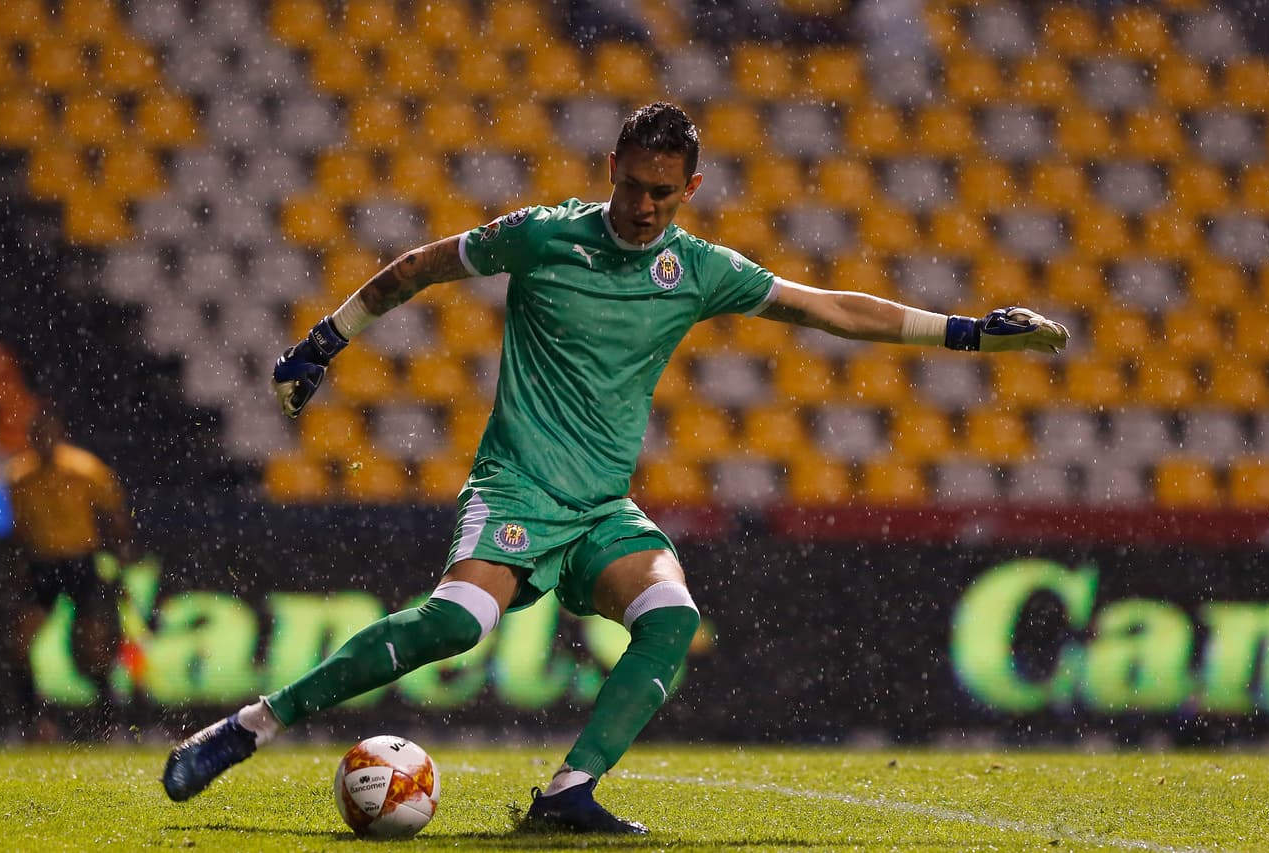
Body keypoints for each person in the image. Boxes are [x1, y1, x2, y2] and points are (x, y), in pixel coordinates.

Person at [163, 102, 1068, 833]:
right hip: (516, 485)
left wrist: (969, 332)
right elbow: (417, 268)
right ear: (610, 171)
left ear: (691, 189)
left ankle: (566, 794)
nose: (645, 208)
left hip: (600, 507)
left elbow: (831, 308)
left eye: (664, 196)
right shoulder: (543, 236)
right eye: (634, 187)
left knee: (673, 617)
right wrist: (325, 342)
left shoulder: (696, 268)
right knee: (456, 625)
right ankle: (248, 728)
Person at [6, 406, 135, 739]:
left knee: (91, 644)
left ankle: (107, 717)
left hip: (80, 561)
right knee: (20, 641)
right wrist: (21, 567)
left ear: (59, 435)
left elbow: (112, 516)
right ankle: (33, 720)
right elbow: (20, 529)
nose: (43, 442)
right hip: (42, 565)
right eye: (38, 436)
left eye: (48, 435)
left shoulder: (84, 469)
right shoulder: (20, 475)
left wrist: (118, 562)